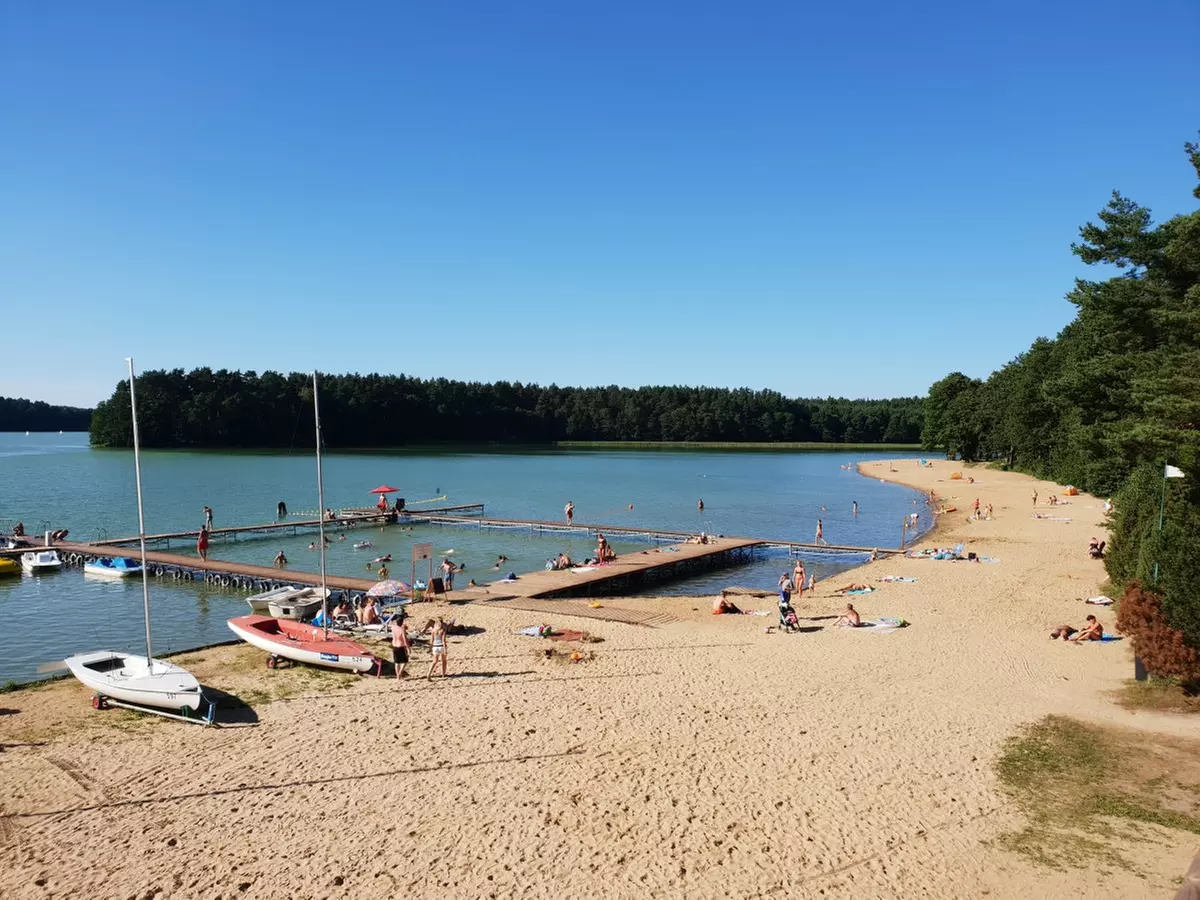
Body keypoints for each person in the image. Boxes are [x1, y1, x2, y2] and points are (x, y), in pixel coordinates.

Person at [390, 612, 410, 678]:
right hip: (400, 646)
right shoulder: (402, 630)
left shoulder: (393, 627)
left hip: (394, 646)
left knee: (397, 663)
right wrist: (408, 648)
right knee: (404, 662)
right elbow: (405, 640)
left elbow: (392, 623)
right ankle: (400, 674)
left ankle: (398, 676)